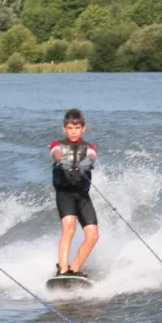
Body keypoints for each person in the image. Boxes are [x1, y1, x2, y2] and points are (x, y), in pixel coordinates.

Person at [50, 109, 99, 279]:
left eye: (77, 128)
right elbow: (55, 152)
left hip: (82, 196)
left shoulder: (89, 147)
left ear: (83, 129)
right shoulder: (57, 145)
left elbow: (92, 156)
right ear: (64, 128)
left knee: (93, 236)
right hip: (65, 194)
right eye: (70, 127)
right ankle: (62, 269)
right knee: (69, 227)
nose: (73, 131)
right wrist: (61, 160)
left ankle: (74, 269)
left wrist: (87, 162)